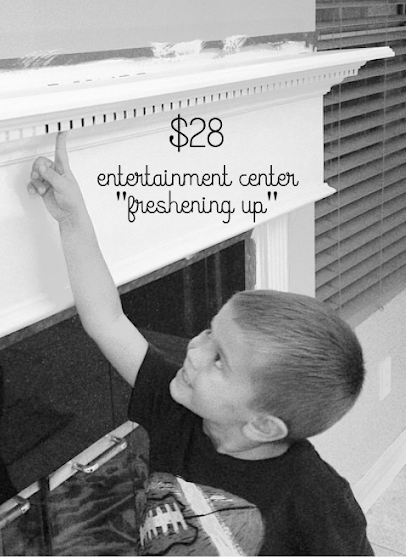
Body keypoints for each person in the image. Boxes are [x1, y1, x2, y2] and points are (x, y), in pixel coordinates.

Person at [27, 131, 373, 556]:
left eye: (219, 360)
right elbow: (107, 320)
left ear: (263, 426)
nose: (193, 351)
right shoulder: (177, 407)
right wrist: (71, 218)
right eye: (210, 331)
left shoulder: (315, 498)